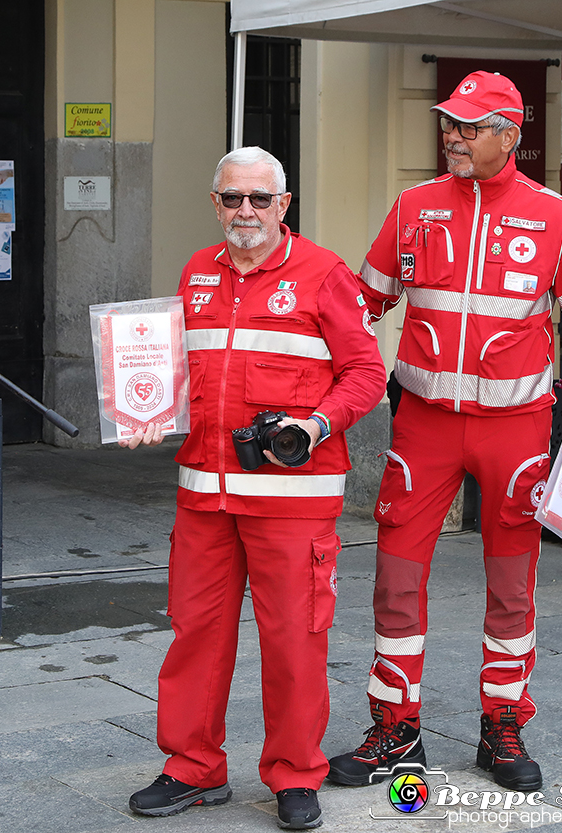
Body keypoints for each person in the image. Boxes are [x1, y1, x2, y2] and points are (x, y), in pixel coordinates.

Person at [327, 71, 562, 793]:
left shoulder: (559, 218)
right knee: (397, 578)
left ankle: (503, 724)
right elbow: (358, 304)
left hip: (517, 428)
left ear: (509, 135)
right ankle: (396, 728)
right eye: (450, 124)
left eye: (469, 127)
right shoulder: (413, 206)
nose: (453, 137)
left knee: (512, 583)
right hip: (425, 423)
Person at [122, 146, 386, 829]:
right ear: (215, 204)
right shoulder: (195, 273)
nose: (246, 211)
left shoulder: (324, 273)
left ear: (283, 205)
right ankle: (192, 767)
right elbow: (174, 370)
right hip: (204, 497)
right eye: (232, 198)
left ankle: (296, 774)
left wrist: (317, 422)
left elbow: (366, 372)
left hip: (292, 502)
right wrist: (146, 409)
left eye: (259, 199)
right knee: (195, 636)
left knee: (294, 642)